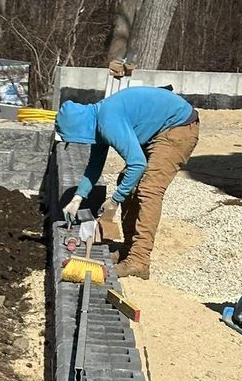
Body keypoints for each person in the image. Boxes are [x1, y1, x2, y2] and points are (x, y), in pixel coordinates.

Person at [55, 85, 200, 280]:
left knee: (149, 190)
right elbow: (95, 165)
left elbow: (137, 164)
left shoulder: (108, 121)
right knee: (126, 180)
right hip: (160, 128)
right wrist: (77, 198)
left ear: (78, 127)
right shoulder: (96, 119)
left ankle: (139, 261)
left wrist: (115, 200)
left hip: (178, 126)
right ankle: (129, 249)